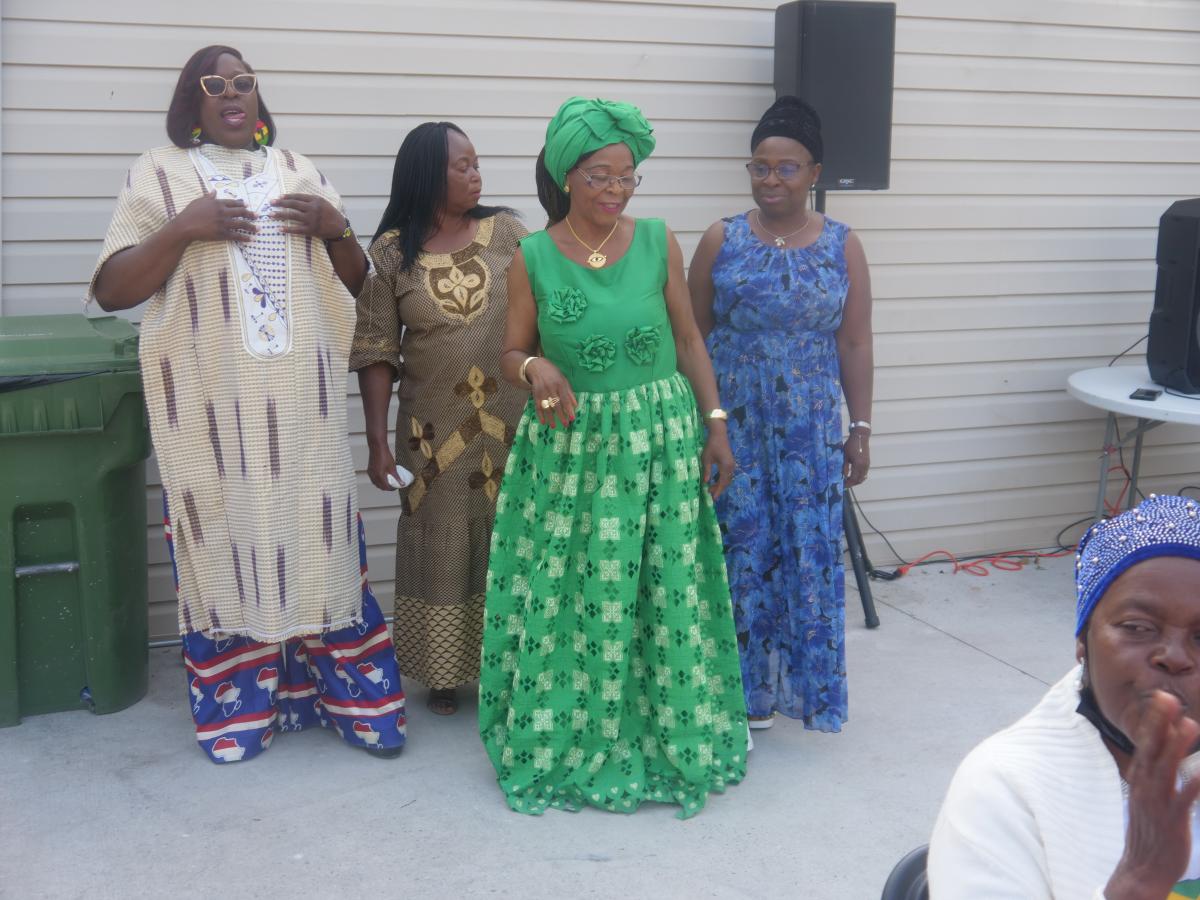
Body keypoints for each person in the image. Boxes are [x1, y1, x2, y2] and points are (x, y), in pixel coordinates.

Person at [88, 45, 405, 762]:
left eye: (243, 82)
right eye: (215, 83)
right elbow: (112, 290)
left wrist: (334, 227)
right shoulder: (158, 173)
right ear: (191, 102)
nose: (232, 93)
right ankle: (242, 714)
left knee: (320, 548)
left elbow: (360, 286)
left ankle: (354, 707)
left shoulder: (300, 170)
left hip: (302, 414)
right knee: (226, 546)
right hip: (212, 417)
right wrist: (183, 227)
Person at [477, 96, 749, 818]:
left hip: (658, 440)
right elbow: (510, 351)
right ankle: (576, 728)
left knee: (662, 584)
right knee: (576, 591)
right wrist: (533, 366)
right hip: (574, 449)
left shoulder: (658, 240)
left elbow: (688, 340)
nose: (615, 190)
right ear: (567, 175)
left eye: (627, 176)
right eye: (600, 175)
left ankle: (669, 727)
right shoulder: (532, 256)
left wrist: (715, 422)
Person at [688, 96, 874, 732]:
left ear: (814, 173)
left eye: (787, 168)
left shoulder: (843, 245)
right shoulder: (722, 238)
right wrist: (701, 420)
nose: (772, 179)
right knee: (739, 549)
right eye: (760, 167)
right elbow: (692, 337)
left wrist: (860, 429)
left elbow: (855, 342)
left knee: (804, 548)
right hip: (733, 422)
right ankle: (740, 692)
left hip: (808, 429)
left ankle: (798, 688)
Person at [929, 494, 1200, 898]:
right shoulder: (1002, 788)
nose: (1174, 656)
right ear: (1082, 640)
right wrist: (1138, 882)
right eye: (1137, 627)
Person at [351, 123, 526, 716]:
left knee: (513, 533)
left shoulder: (508, 234)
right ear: (428, 173)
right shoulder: (391, 254)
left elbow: (547, 306)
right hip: (432, 431)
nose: (476, 174)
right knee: (445, 535)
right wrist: (377, 443)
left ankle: (515, 660)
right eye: (462, 165)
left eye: (477, 163)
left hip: (513, 418)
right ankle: (445, 671)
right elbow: (376, 350)